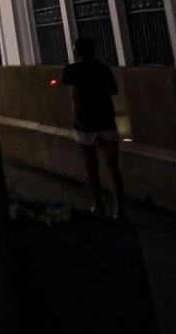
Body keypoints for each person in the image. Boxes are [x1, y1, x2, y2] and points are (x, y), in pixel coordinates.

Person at [62, 37, 124, 219]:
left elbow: (74, 95)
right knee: (113, 167)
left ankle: (99, 207)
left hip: (85, 122)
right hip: (106, 120)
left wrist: (75, 118)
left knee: (91, 166)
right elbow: (112, 93)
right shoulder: (104, 70)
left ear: (77, 51)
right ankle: (120, 209)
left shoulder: (72, 70)